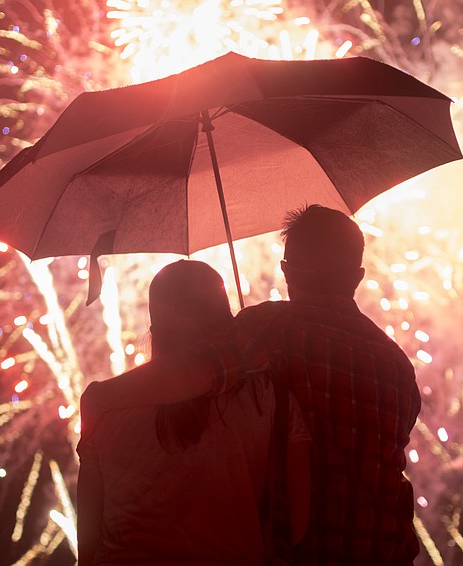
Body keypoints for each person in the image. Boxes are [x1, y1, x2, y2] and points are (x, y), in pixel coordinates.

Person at [82, 205, 422, 564]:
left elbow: (198, 371)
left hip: (308, 554)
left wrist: (102, 396)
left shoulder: (266, 331)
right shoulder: (396, 364)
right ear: (358, 276)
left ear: (286, 270)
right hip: (385, 550)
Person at [77, 260, 311, 565]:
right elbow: (297, 524)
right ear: (227, 320)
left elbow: (88, 539)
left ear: (153, 329)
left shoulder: (105, 407)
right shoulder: (272, 398)